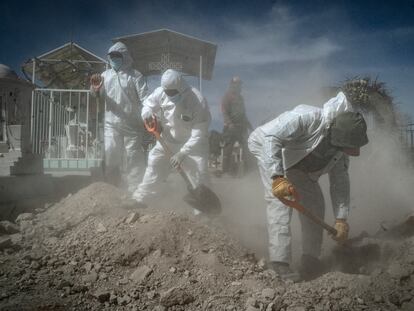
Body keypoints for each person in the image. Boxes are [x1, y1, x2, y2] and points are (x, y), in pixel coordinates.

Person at [248, 92, 369, 280]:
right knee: (281, 201)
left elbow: (340, 182)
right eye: (351, 146)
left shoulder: (340, 151)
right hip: (268, 148)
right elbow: (271, 138)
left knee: (315, 204)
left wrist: (341, 219)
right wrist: (277, 177)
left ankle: (310, 258)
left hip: (297, 165)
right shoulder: (307, 118)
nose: (355, 152)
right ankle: (280, 262)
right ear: (337, 135)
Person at [132, 69, 211, 209]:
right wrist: (147, 114)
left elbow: (199, 132)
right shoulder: (160, 92)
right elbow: (147, 105)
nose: (170, 95)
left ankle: (202, 211)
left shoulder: (197, 100)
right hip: (167, 140)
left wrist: (182, 153)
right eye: (167, 92)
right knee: (154, 164)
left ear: (181, 87)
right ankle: (140, 199)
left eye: (173, 92)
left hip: (192, 146)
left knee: (198, 174)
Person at [90, 42, 148, 193]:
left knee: (133, 156)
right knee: (110, 154)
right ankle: (113, 188)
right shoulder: (104, 76)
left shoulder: (135, 75)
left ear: (125, 56)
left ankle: (135, 190)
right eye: (112, 56)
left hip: (132, 123)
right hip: (111, 122)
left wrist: (148, 113)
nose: (114, 59)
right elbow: (98, 96)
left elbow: (145, 97)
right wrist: (95, 90)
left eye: (118, 56)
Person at [221, 76, 252, 175]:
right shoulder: (227, 96)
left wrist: (249, 125)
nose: (238, 86)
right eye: (236, 84)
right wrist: (229, 123)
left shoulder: (241, 98)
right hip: (230, 127)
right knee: (228, 149)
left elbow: (243, 113)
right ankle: (226, 172)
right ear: (232, 85)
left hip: (241, 127)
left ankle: (249, 171)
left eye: (239, 84)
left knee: (247, 147)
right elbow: (224, 111)